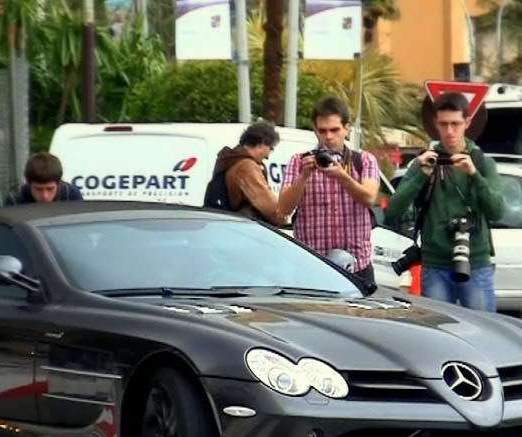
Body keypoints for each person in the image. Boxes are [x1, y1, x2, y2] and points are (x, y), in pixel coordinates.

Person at [384, 92, 506, 311]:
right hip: (435, 263)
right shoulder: (425, 161)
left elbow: (497, 211)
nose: (449, 131)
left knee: (483, 328)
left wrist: (474, 175)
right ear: (435, 123)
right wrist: (421, 175)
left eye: (455, 124)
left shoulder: (482, 163)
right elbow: (393, 212)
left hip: (475, 261)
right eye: (444, 124)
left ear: (467, 122)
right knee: (437, 328)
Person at [279, 97, 382, 282]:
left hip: (356, 264)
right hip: (311, 265)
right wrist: (304, 176)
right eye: (322, 131)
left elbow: (369, 198)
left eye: (334, 130)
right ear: (315, 130)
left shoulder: (363, 160)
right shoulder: (298, 162)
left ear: (347, 129)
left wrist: (343, 176)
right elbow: (284, 209)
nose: (328, 137)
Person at [209, 121, 288, 226]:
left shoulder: (229, 159)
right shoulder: (247, 166)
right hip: (242, 228)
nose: (268, 156)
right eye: (271, 148)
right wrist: (282, 217)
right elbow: (269, 206)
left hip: (224, 223)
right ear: (262, 143)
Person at [3, 152, 85, 205]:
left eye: (50, 189)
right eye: (38, 189)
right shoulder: (15, 200)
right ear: (28, 183)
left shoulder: (70, 196)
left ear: (59, 183)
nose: (45, 196)